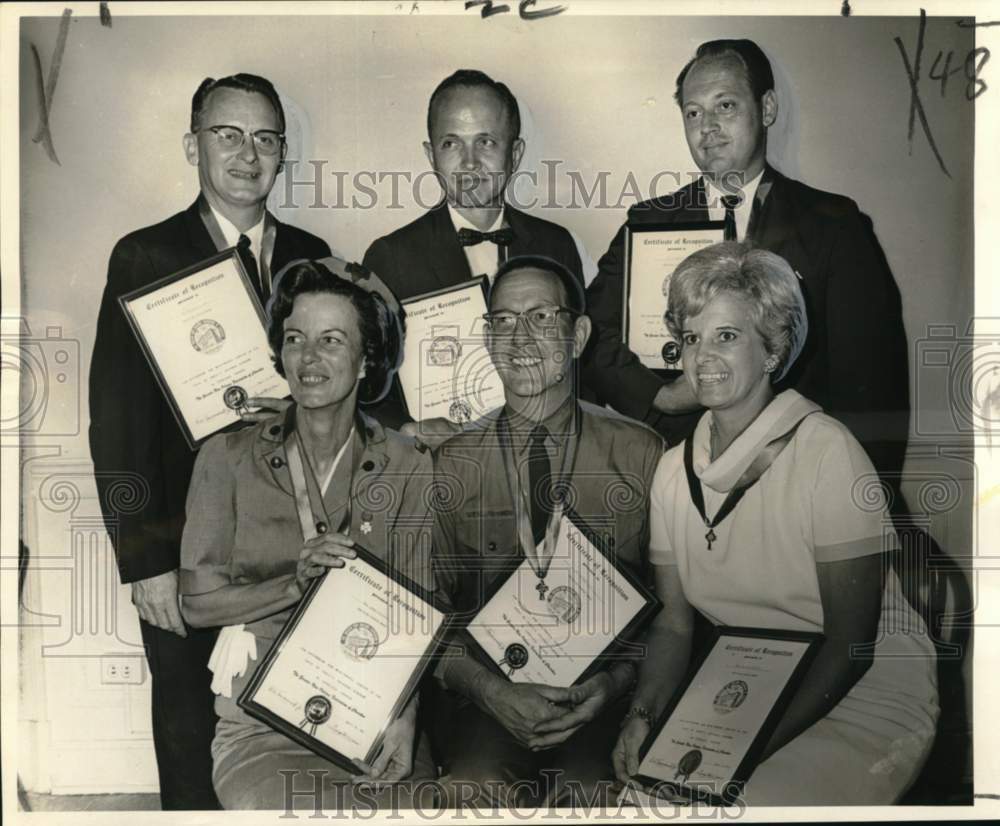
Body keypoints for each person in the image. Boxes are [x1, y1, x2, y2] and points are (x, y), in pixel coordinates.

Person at [612, 242, 937, 806]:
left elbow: (852, 645)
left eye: (727, 336)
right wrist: (643, 715)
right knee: (646, 804)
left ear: (772, 348)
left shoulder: (827, 451)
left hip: (863, 691)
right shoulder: (671, 471)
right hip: (749, 689)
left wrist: (739, 751)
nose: (702, 356)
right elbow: (674, 626)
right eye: (691, 337)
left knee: (733, 808)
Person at [88, 73, 330, 809]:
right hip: (186, 548)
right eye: (228, 135)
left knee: (296, 725)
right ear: (193, 145)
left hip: (292, 542)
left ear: (283, 153)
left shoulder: (314, 255)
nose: (247, 154)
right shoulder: (144, 255)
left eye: (264, 138)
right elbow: (117, 423)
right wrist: (144, 560)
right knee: (190, 732)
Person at [584, 39, 909, 485]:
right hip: (682, 471)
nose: (708, 127)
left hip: (799, 474)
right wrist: (658, 395)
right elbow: (589, 332)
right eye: (693, 113)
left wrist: (861, 496)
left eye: (726, 106)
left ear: (768, 107)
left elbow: (874, 386)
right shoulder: (649, 223)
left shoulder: (834, 226)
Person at [179, 258, 436, 810]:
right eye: (295, 339)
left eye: (332, 341)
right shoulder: (226, 458)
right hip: (262, 723)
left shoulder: (408, 464)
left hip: (375, 714)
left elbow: (419, 615)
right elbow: (196, 606)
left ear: (367, 360)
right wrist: (294, 585)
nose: (309, 358)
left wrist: (405, 718)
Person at [430, 255, 664, 808]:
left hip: (601, 701)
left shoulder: (641, 453)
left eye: (541, 317)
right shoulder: (452, 462)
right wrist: (490, 692)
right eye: (503, 321)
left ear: (578, 335)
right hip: (488, 702)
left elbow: (676, 612)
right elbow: (427, 614)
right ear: (487, 340)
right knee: (470, 792)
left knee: (592, 796)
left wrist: (615, 685)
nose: (520, 337)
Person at [363, 70, 584, 429]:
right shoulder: (390, 257)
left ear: (515, 153)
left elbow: (579, 364)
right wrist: (407, 428)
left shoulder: (555, 244)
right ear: (430, 154)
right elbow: (368, 387)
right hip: (440, 464)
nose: (469, 162)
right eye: (451, 143)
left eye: (486, 142)